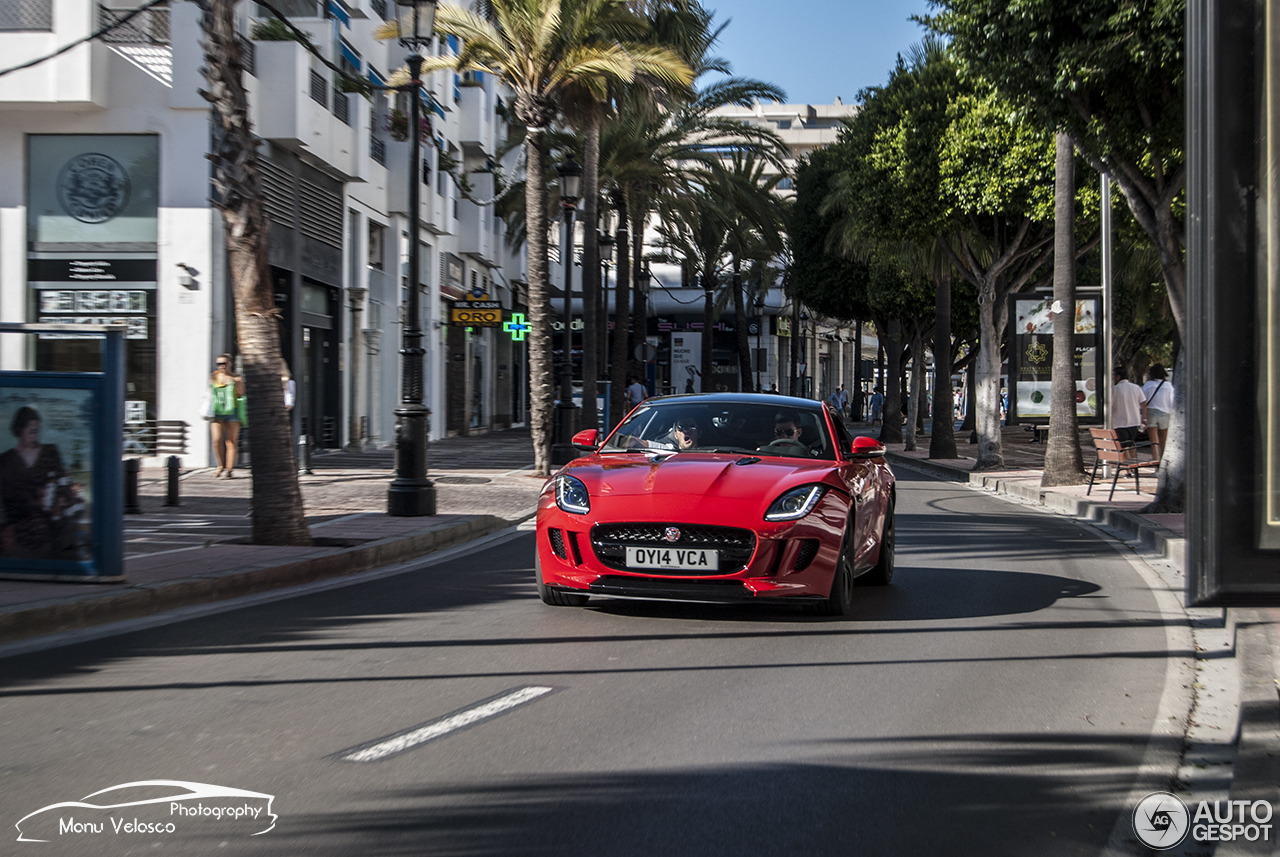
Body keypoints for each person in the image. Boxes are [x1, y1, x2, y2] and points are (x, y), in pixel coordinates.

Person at [0, 406, 85, 560]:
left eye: (38, 431)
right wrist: (39, 503)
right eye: (31, 431)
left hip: (54, 507)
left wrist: (60, 499)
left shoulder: (49, 451)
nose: (36, 436)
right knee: (38, 527)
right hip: (26, 515)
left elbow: (62, 480)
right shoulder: (7, 460)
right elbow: (10, 498)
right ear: (19, 430)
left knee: (76, 508)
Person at [205, 353, 245, 478]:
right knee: (216, 440)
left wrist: (236, 383)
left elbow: (242, 393)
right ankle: (220, 465)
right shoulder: (214, 376)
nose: (221, 366)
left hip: (233, 411)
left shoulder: (236, 377)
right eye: (219, 364)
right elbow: (209, 393)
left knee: (231, 442)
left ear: (230, 364)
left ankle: (229, 469)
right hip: (217, 412)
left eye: (224, 363)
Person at [1141, 363, 1175, 461]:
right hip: (1165, 413)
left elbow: (1143, 400)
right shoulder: (1168, 386)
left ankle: (1156, 462)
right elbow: (1172, 401)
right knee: (1163, 440)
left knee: (1153, 440)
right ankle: (1164, 461)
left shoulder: (1148, 385)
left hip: (1151, 412)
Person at [1111, 367, 1147, 448]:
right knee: (1131, 446)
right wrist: (1144, 419)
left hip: (1119, 423)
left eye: (1113, 376)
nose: (1113, 378)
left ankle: (1125, 460)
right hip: (1134, 422)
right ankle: (1132, 459)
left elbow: (1110, 405)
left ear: (1118, 377)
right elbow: (1144, 403)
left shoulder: (1114, 389)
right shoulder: (1136, 388)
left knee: (1123, 447)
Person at [628, 415, 700, 451]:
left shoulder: (710, 452)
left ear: (699, 433)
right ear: (675, 435)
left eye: (691, 427)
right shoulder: (667, 450)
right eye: (681, 427)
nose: (686, 431)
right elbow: (634, 442)